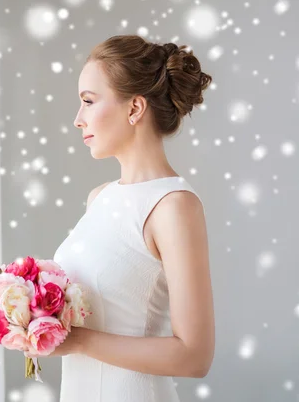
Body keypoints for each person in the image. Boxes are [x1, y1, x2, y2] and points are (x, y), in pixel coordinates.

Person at [49, 35, 215, 401]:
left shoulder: (174, 205)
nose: (78, 120)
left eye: (88, 102)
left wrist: (79, 341)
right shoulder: (100, 198)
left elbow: (195, 356)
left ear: (135, 108)